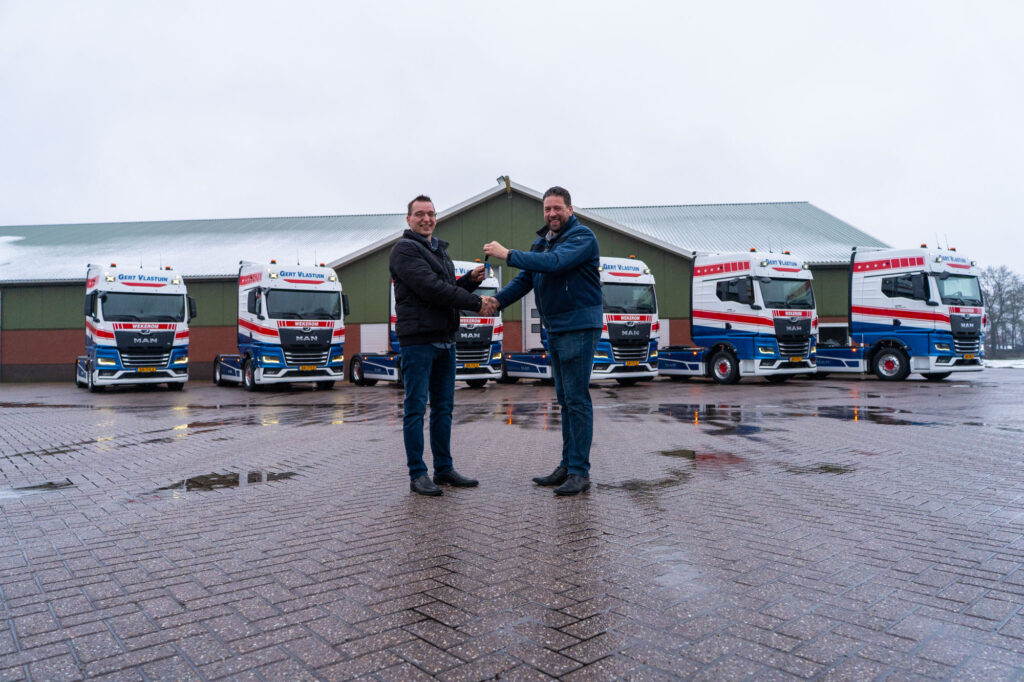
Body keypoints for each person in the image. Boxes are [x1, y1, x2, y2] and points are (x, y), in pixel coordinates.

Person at [482, 186, 601, 496]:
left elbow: (556, 263)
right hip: (556, 328)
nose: (552, 214)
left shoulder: (582, 238)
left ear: (570, 210)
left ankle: (579, 472)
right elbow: (527, 278)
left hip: (578, 327)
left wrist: (507, 254)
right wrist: (497, 301)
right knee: (565, 400)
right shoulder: (543, 242)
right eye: (547, 209)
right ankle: (567, 464)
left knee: (576, 400)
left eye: (557, 208)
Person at [390, 195, 498, 496]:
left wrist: (470, 281)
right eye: (420, 214)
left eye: (431, 214)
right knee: (415, 409)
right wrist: (476, 302)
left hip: (446, 340)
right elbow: (431, 289)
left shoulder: (439, 250)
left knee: (443, 409)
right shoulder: (404, 250)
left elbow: (447, 290)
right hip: (418, 342)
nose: (426, 219)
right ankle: (417, 474)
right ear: (409, 219)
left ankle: (444, 469)